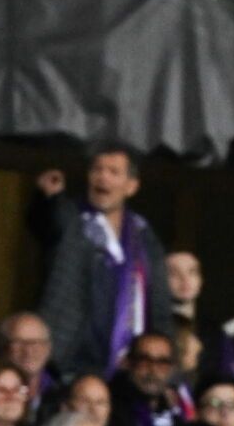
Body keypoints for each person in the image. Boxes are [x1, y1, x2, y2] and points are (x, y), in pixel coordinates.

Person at [39, 143, 172, 376]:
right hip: (74, 357)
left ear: (131, 186)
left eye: (113, 172)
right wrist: (51, 198)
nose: (103, 177)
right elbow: (47, 224)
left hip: (134, 362)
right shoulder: (72, 218)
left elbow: (159, 300)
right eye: (97, 169)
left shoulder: (143, 233)